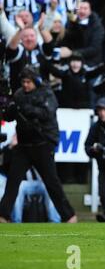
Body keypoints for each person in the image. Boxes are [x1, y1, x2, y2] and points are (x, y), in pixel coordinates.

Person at [0, 66, 77, 223]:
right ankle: (2, 216)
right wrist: (9, 109)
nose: (26, 85)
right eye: (23, 82)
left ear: (35, 81)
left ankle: (69, 216)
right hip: (24, 145)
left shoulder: (46, 93)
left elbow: (47, 112)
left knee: (51, 182)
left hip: (43, 143)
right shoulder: (19, 95)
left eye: (28, 82)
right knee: (12, 182)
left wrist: (25, 108)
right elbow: (8, 117)